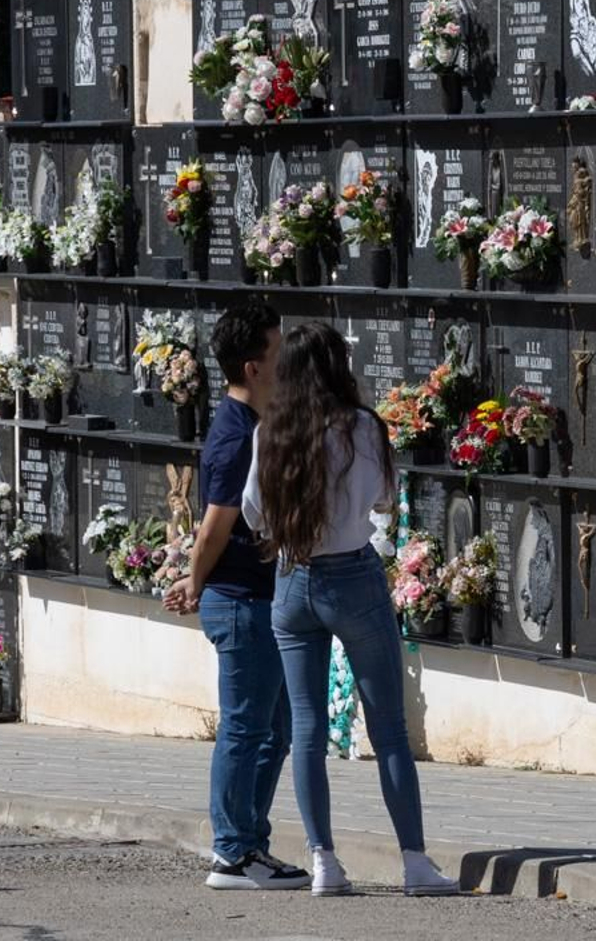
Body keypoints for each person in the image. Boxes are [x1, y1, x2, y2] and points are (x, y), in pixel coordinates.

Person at [241, 322, 457, 898]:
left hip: (292, 578)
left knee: (307, 730)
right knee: (388, 729)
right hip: (353, 578)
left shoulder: (271, 431)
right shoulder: (362, 426)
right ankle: (414, 862)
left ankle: (324, 862)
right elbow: (385, 499)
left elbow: (253, 512)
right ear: (338, 366)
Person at [162, 304, 308, 891]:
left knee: (274, 731)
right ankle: (232, 852)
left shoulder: (255, 424)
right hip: (242, 601)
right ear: (253, 367)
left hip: (261, 598)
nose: (287, 360)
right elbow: (215, 526)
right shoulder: (234, 436)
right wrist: (196, 580)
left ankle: (250, 844)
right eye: (279, 350)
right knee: (247, 729)